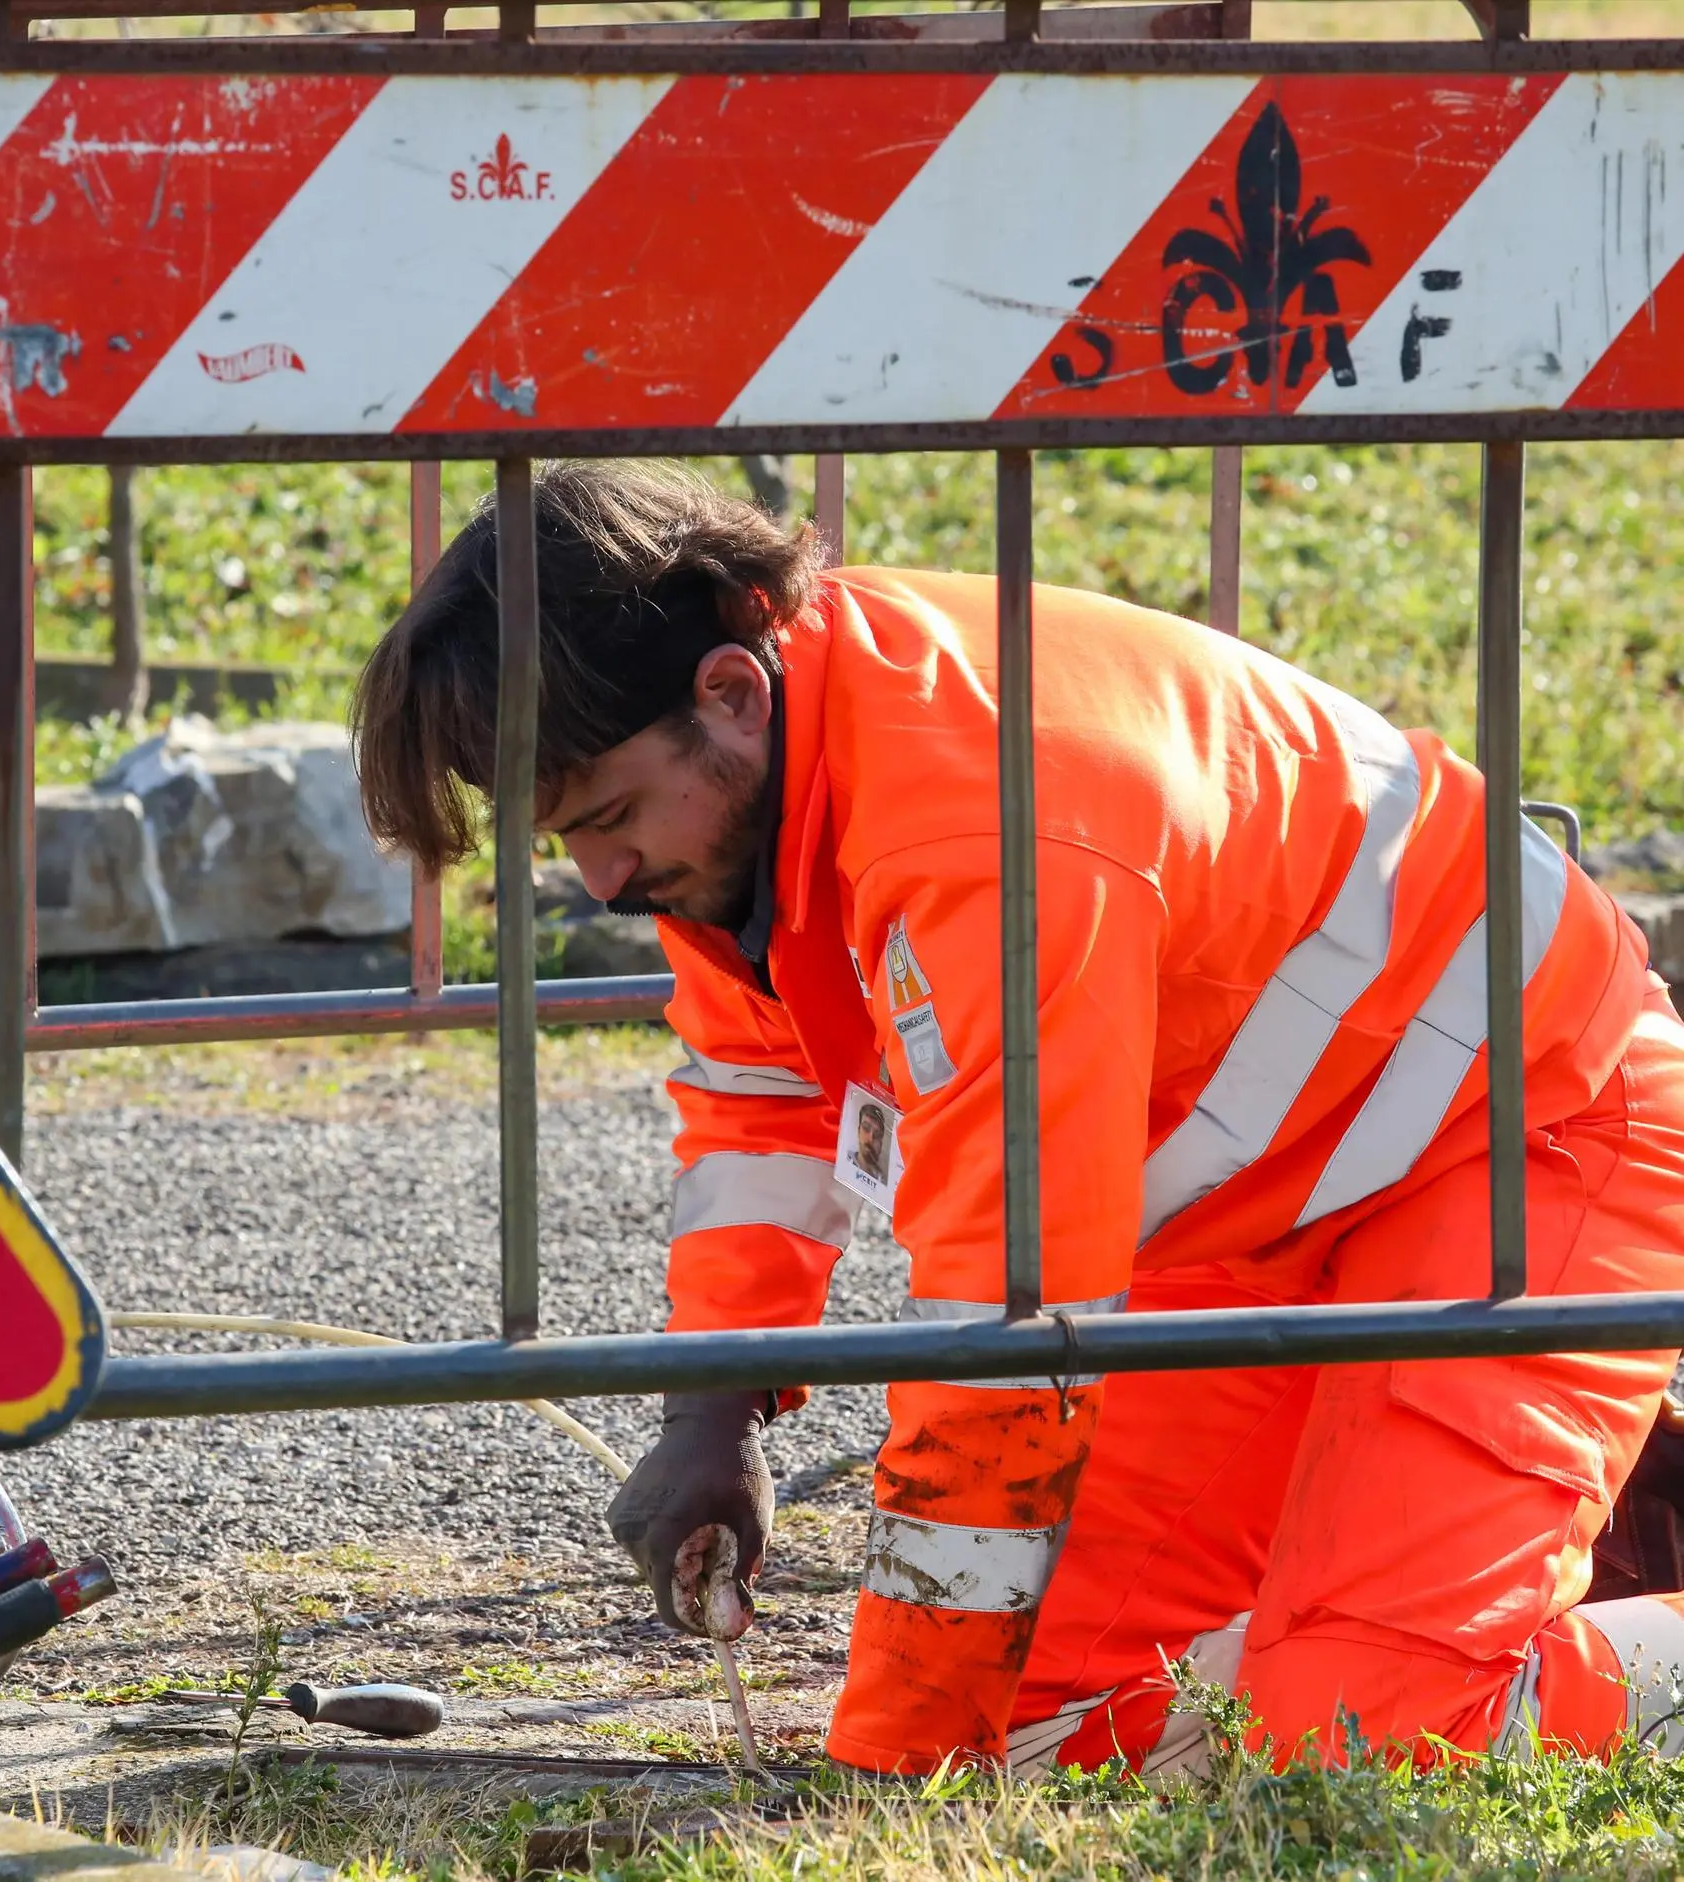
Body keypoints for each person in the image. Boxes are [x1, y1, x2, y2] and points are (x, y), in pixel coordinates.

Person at [349, 460, 1684, 1775]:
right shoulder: (753, 787)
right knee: (1042, 1718)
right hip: (1255, 1222)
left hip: (1530, 1141)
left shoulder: (984, 829)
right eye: (566, 837)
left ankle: (1454, 1588)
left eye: (613, 817)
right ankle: (1479, 1549)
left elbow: (1001, 1349)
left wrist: (883, 1783)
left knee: (1350, 1739)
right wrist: (711, 1405)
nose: (604, 876)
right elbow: (762, 1094)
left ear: (730, 691)